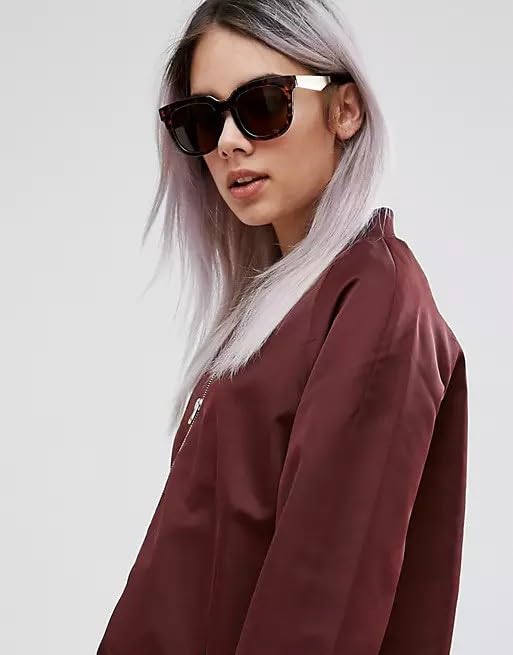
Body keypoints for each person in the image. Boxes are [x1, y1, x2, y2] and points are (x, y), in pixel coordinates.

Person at [97, 1, 468, 654]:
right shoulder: (279, 306)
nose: (229, 142)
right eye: (202, 120)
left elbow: (321, 609)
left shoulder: (374, 301)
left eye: (262, 105)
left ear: (345, 110)